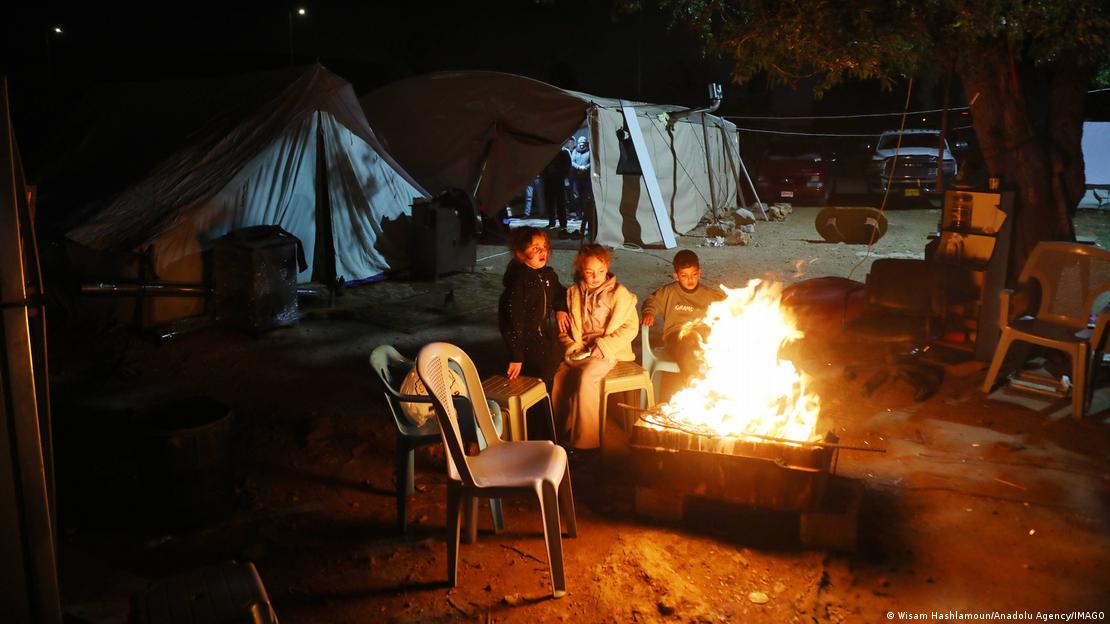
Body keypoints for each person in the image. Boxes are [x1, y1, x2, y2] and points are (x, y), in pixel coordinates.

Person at [552, 244, 639, 450]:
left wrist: (604, 346)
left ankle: (586, 444)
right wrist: (573, 347)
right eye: (590, 273)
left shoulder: (619, 294)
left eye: (600, 271)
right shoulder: (573, 294)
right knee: (560, 375)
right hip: (580, 349)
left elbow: (630, 328)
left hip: (607, 350)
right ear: (581, 270)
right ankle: (561, 433)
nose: (596, 277)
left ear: (607, 266)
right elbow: (564, 331)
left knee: (587, 377)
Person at [641, 250, 726, 390]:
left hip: (703, 335)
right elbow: (652, 301)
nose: (690, 280)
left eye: (694, 275)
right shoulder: (669, 292)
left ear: (699, 273)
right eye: (684, 276)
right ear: (676, 276)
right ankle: (694, 382)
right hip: (677, 335)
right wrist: (649, 313)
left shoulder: (708, 294)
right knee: (691, 341)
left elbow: (729, 303)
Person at [498, 227, 571, 384]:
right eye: (535, 248)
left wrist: (560, 308)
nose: (542, 252)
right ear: (520, 253)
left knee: (561, 359)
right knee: (547, 367)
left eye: (544, 247)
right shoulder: (518, 284)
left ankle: (554, 400)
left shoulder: (548, 275)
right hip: (525, 340)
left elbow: (559, 293)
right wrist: (516, 357)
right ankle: (543, 404)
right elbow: (512, 324)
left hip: (543, 333)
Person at [569, 136, 596, 240]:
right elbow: (572, 161)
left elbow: (592, 162)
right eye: (580, 142)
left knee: (586, 197)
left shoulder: (589, 152)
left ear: (585, 143)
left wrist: (586, 167)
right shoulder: (575, 151)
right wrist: (578, 167)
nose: (581, 144)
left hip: (586, 178)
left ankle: (586, 214)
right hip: (577, 178)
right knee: (577, 196)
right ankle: (578, 214)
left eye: (583, 142)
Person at [542, 145, 570, 231]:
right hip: (548, 180)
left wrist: (558, 171)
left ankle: (563, 223)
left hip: (558, 180)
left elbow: (568, 166)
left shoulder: (563, 153)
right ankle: (552, 222)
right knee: (550, 203)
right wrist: (545, 173)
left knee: (560, 203)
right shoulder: (547, 153)